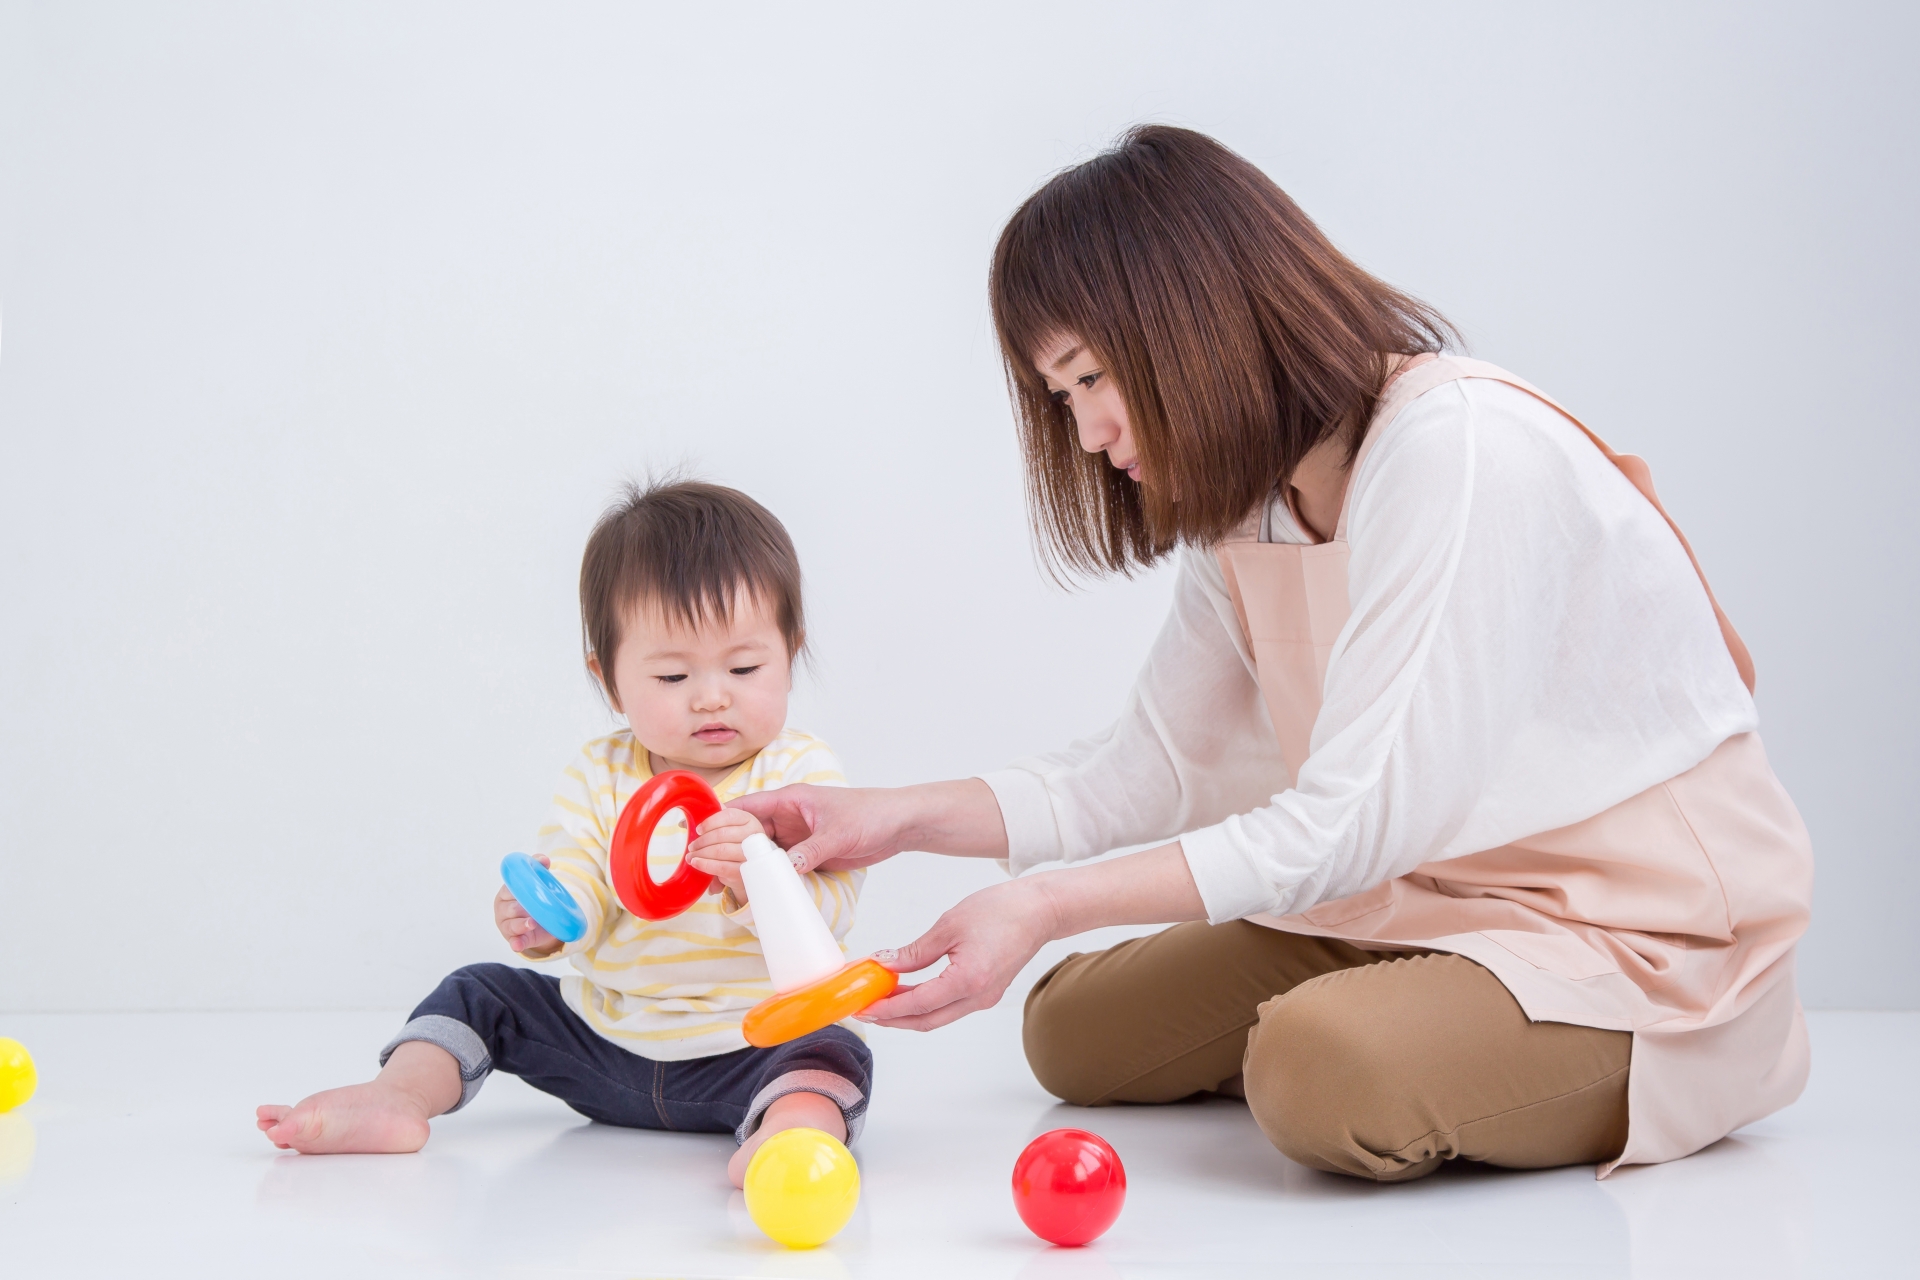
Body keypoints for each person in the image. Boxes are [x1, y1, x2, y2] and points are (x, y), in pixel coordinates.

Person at [725, 125, 1813, 1182]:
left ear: (1194, 317)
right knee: (1074, 1031)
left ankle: (1653, 1052)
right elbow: (1152, 766)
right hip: (1420, 897)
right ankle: (1421, 1004)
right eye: (1064, 397)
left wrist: (1050, 902)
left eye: (1093, 376)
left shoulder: (1457, 453)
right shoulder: (1255, 502)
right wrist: (890, 819)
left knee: (1316, 1069)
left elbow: (1353, 816)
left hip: (1634, 935)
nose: (1091, 432)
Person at [257, 479, 870, 1188]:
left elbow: (835, 914)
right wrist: (548, 918)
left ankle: (787, 1140)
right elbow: (578, 872)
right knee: (478, 990)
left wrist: (759, 882)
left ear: (790, 651)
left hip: (748, 1045)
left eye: (745, 667)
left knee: (831, 1050)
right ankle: (398, 1097)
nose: (711, 695)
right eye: (672, 674)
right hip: (606, 1045)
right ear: (609, 681)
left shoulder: (801, 773)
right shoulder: (601, 772)